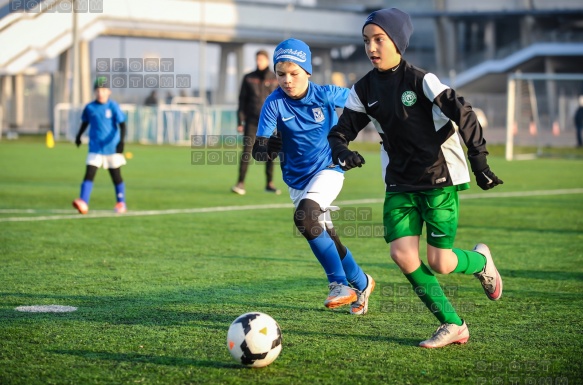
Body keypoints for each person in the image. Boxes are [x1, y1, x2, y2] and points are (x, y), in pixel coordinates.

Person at [327, 8, 503, 345]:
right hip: (399, 183)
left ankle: (481, 261)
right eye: (366, 41)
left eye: (379, 39)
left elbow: (463, 114)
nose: (371, 47)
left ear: (398, 41)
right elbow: (340, 132)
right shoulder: (363, 89)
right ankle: (453, 324)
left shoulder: (422, 80)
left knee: (441, 262)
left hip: (438, 179)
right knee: (402, 254)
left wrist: (479, 161)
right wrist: (342, 151)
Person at [252, 38, 375, 315]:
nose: (287, 80)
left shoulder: (326, 94)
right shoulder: (273, 104)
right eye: (281, 74)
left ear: (307, 72)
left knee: (305, 218)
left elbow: (368, 105)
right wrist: (268, 148)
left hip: (329, 168)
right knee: (329, 237)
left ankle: (338, 284)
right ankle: (362, 282)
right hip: (297, 181)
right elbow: (259, 152)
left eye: (294, 73)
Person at [72, 77, 127, 215]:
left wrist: (122, 142)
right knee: (89, 173)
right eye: (98, 90)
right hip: (95, 147)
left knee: (116, 176)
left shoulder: (113, 106)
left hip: (112, 147)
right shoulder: (90, 107)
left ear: (109, 91)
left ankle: (121, 202)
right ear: (94, 92)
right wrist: (78, 136)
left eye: (103, 90)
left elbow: (122, 124)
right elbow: (85, 123)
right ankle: (83, 202)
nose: (100, 93)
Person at [232, 50, 280, 195]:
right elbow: (242, 100)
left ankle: (269, 184)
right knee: (246, 152)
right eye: (257, 59)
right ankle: (240, 183)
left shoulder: (275, 78)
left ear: (267, 61)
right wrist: (240, 120)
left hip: (270, 121)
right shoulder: (248, 78)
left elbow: (281, 101)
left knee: (270, 151)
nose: (259, 62)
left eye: (262, 60)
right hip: (252, 121)